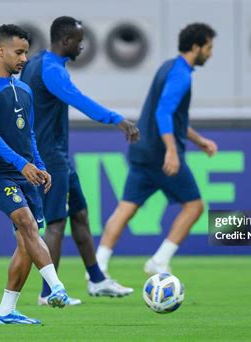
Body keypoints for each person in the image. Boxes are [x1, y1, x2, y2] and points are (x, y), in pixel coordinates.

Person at [20, 16, 139, 305]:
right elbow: (78, 99)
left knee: (80, 215)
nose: (81, 46)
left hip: (57, 155)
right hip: (49, 157)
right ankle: (49, 293)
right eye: (79, 40)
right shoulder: (51, 70)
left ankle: (97, 281)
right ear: (65, 41)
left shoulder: (38, 63)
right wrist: (117, 120)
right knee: (57, 224)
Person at [96, 23, 218, 275]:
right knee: (194, 206)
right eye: (209, 47)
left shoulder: (168, 67)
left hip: (142, 151)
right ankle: (159, 261)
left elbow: (174, 118)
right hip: (161, 155)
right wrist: (171, 151)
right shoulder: (182, 76)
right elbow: (164, 113)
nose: (211, 53)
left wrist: (199, 141)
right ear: (196, 47)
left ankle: (98, 266)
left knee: (126, 208)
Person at [0, 24, 70, 325]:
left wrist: (38, 165)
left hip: (26, 173)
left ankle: (6, 311)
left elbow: (31, 137)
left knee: (27, 242)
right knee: (26, 223)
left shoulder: (24, 90)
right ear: (0, 51)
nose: (24, 58)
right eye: (19, 52)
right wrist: (20, 164)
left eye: (26, 52)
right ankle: (57, 287)